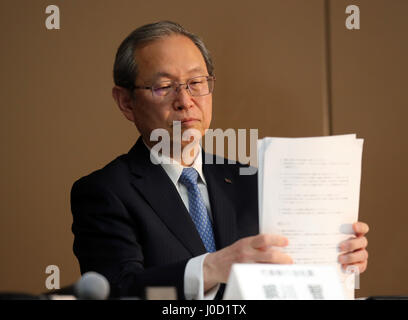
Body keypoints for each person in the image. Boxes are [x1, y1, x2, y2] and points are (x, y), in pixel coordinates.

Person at [71, 21, 369, 300]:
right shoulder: (105, 192)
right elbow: (119, 290)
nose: (185, 100)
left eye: (196, 82)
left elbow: (285, 279)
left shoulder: (254, 181)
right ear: (126, 102)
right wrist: (212, 267)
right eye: (164, 86)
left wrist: (336, 261)